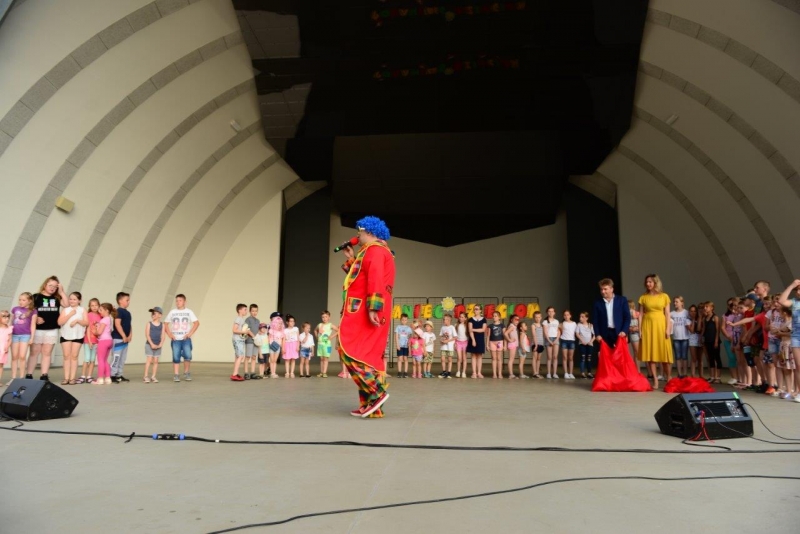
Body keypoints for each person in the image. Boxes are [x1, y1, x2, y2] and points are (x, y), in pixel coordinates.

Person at [338, 216, 395, 417]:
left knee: (348, 349)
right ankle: (373, 407)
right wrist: (351, 258)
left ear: (369, 232)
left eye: (359, 232)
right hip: (365, 307)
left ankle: (377, 393)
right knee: (368, 356)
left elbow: (376, 279)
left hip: (365, 309)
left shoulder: (375, 250)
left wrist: (373, 307)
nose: (357, 235)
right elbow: (359, 277)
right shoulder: (371, 251)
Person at [26, 275, 68, 381]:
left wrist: (61, 292)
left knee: (47, 353)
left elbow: (67, 305)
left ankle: (44, 374)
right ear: (45, 285)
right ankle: (29, 374)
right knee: (34, 352)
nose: (52, 288)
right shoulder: (36, 297)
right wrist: (36, 318)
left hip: (52, 329)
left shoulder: (57, 298)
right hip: (38, 329)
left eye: (55, 286)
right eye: (50, 285)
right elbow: (28, 311)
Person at [638, 274, 674, 389]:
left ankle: (668, 378)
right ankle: (655, 380)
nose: (648, 284)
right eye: (647, 282)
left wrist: (668, 329)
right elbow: (640, 315)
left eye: (650, 282)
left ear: (655, 283)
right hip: (648, 326)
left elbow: (667, 314)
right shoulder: (643, 297)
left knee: (664, 354)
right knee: (651, 355)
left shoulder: (664, 296)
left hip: (661, 325)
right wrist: (640, 330)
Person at [165, 294, 200, 382]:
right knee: (176, 357)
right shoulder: (172, 312)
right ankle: (176, 374)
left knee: (187, 356)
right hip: (175, 339)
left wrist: (190, 333)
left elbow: (196, 323)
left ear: (184, 301)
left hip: (185, 339)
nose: (178, 302)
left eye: (180, 300)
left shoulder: (189, 312)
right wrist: (170, 334)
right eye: (177, 301)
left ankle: (186, 372)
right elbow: (165, 323)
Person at [58, 292, 87, 385]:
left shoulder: (82, 310)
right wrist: (70, 314)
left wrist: (77, 321)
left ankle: (72, 378)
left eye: (74, 299)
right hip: (66, 335)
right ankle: (66, 378)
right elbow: (59, 322)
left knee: (74, 356)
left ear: (79, 300)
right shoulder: (66, 310)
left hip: (78, 335)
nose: (72, 301)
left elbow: (86, 322)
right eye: (70, 299)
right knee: (66, 356)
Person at [777, 279, 800, 401]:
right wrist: (792, 285)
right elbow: (781, 301)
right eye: (797, 290)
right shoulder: (794, 302)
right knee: (798, 365)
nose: (798, 292)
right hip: (796, 336)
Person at [592, 278, 631, 349]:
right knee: (606, 355)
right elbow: (595, 320)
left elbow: (627, 317)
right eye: (601, 289)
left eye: (605, 289)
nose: (603, 291)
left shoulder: (622, 300)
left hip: (619, 333)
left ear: (611, 289)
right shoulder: (598, 303)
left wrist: (624, 331)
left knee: (620, 355)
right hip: (605, 334)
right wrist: (597, 334)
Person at [10, 292, 36, 382]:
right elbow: (11, 322)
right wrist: (8, 335)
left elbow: (33, 325)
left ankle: (21, 378)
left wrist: (32, 337)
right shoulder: (15, 309)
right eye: (20, 300)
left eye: (23, 300)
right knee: (14, 356)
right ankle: (13, 378)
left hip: (25, 335)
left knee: (22, 356)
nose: (21, 302)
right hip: (15, 335)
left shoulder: (33, 311)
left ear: (29, 301)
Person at [110, 292, 132, 384]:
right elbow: (117, 324)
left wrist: (130, 335)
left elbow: (129, 325)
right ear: (120, 301)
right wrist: (123, 335)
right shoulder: (118, 311)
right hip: (118, 338)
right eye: (127, 300)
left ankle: (119, 374)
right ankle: (112, 375)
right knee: (116, 357)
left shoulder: (128, 313)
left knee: (123, 358)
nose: (128, 302)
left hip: (125, 340)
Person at [93, 303, 115, 385]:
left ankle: (100, 378)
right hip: (109, 340)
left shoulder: (104, 320)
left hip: (103, 341)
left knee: (101, 360)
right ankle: (108, 378)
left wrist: (95, 331)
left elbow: (99, 332)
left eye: (101, 310)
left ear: (107, 310)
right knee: (105, 360)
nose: (99, 311)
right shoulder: (110, 319)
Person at [80, 298, 100, 384]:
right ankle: (83, 376)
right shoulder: (89, 315)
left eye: (96, 305)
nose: (94, 307)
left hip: (97, 341)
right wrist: (89, 341)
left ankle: (89, 376)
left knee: (92, 359)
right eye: (92, 305)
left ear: (99, 306)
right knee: (87, 359)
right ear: (89, 306)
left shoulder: (100, 315)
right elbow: (88, 328)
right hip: (88, 341)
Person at [700, 302, 722, 384]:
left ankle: (718, 377)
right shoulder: (705, 318)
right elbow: (704, 329)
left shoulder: (715, 317)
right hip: (707, 340)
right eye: (704, 307)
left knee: (717, 358)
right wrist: (701, 337)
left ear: (712, 308)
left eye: (707, 306)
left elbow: (717, 330)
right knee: (710, 358)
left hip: (714, 340)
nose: (705, 308)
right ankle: (712, 376)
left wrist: (716, 341)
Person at [670, 297, 690, 379]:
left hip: (685, 337)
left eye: (676, 301)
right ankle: (679, 373)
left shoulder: (686, 313)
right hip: (676, 338)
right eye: (674, 302)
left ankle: (685, 373)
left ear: (682, 303)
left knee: (684, 356)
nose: (675, 303)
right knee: (677, 356)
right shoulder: (672, 313)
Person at [143, 306, 164, 383]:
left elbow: (163, 335)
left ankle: (153, 376)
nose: (153, 315)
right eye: (152, 313)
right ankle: (145, 376)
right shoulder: (149, 324)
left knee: (155, 361)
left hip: (158, 345)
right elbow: (147, 334)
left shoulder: (162, 325)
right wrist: (151, 344)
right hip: (149, 345)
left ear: (160, 315)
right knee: (149, 359)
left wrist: (160, 344)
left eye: (154, 313)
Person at [315, 311, 338, 378]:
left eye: (326, 317)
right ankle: (321, 372)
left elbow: (338, 330)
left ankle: (324, 372)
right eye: (323, 317)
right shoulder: (319, 325)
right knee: (321, 359)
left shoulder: (330, 325)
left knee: (326, 358)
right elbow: (315, 330)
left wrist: (331, 337)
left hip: (327, 345)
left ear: (329, 317)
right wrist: (317, 337)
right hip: (320, 344)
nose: (324, 318)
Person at [721, 298, 738, 385]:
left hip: (738, 339)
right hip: (729, 340)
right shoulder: (725, 315)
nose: (732, 306)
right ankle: (734, 377)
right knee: (731, 358)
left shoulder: (739, 315)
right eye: (729, 304)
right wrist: (728, 337)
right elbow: (723, 327)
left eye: (733, 304)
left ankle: (741, 377)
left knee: (740, 359)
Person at [468, 305, 487, 379]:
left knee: (479, 356)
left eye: (477, 309)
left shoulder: (484, 319)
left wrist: (473, 329)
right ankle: (474, 373)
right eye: (475, 309)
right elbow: (470, 330)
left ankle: (479, 372)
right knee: (473, 356)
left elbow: (483, 329)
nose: (475, 310)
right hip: (473, 338)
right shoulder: (470, 319)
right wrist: (473, 340)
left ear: (480, 310)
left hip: (480, 339)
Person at [230, 304, 248, 381]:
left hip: (239, 340)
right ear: (240, 310)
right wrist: (244, 332)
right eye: (245, 309)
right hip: (237, 340)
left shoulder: (241, 319)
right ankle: (234, 374)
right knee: (240, 356)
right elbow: (234, 330)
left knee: (238, 356)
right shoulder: (238, 319)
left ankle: (235, 373)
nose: (246, 311)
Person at [244, 304, 261, 380]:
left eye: (256, 311)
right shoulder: (248, 319)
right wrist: (253, 336)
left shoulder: (258, 321)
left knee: (254, 357)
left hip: (256, 341)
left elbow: (258, 330)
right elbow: (247, 329)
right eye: (253, 311)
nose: (254, 312)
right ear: (250, 311)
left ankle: (252, 373)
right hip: (249, 340)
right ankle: (246, 373)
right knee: (248, 356)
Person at [576, 312, 595, 379]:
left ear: (586, 318)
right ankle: (582, 373)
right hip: (582, 344)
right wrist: (582, 340)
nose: (580, 318)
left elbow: (594, 335)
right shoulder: (579, 325)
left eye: (582, 317)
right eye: (580, 316)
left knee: (589, 358)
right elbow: (577, 334)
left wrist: (591, 341)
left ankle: (589, 373)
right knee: (583, 358)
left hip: (589, 344)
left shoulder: (590, 325)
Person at [559, 310, 577, 380]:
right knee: (564, 357)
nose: (566, 316)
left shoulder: (574, 323)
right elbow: (559, 331)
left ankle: (571, 373)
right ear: (563, 316)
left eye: (567, 315)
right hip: (564, 341)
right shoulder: (562, 324)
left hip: (572, 341)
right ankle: (566, 373)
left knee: (571, 358)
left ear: (570, 316)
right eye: (565, 315)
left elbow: (576, 332)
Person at [543, 307, 560, 379]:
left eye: (552, 311)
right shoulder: (545, 321)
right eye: (549, 311)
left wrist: (556, 339)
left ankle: (555, 373)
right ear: (547, 312)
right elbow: (545, 332)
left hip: (556, 339)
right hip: (549, 339)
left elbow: (559, 331)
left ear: (554, 312)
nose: (551, 313)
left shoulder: (556, 321)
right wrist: (549, 340)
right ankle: (549, 373)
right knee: (549, 357)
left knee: (555, 357)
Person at [438, 313, 456, 379]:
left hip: (450, 346)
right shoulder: (443, 327)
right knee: (442, 359)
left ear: (449, 320)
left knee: (449, 359)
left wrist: (447, 341)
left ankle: (449, 372)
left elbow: (455, 337)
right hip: (443, 346)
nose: (444, 320)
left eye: (445, 319)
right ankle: (444, 371)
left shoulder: (452, 327)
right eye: (443, 319)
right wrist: (441, 340)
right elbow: (441, 335)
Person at [488, 311, 505, 379]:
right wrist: (487, 345)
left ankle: (500, 373)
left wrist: (505, 344)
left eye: (496, 316)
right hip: (492, 342)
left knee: (499, 358)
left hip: (499, 342)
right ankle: (494, 373)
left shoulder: (502, 325)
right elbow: (488, 336)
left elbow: (504, 335)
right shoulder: (490, 326)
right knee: (494, 358)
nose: (494, 317)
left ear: (499, 317)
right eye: (493, 316)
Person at [268, 312, 284, 378]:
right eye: (278, 323)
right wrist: (269, 345)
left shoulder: (281, 332)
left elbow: (281, 340)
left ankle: (274, 372)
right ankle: (272, 373)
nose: (279, 325)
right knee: (272, 360)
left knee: (275, 360)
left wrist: (282, 347)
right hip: (271, 347)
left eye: (281, 323)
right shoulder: (271, 331)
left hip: (278, 347)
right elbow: (269, 338)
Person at [504, 314, 520, 379]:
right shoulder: (512, 326)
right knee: (511, 359)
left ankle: (511, 374)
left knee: (512, 359)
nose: (517, 321)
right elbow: (505, 333)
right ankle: (511, 374)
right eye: (515, 319)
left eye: (518, 319)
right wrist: (509, 340)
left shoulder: (513, 326)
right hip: (512, 344)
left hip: (514, 344)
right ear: (511, 320)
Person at [454, 311, 469, 378]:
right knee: (459, 358)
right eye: (460, 317)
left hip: (465, 342)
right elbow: (455, 335)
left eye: (462, 317)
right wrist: (455, 343)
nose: (460, 318)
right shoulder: (456, 325)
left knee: (464, 358)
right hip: (458, 342)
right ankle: (458, 371)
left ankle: (463, 372)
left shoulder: (467, 325)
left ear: (465, 318)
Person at [530, 311, 545, 379]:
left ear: (541, 317)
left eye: (539, 317)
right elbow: (534, 335)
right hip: (535, 344)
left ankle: (537, 372)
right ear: (534, 318)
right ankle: (534, 373)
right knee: (534, 358)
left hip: (541, 343)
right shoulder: (533, 325)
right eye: (536, 317)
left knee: (538, 359)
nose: (537, 318)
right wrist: (536, 345)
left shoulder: (542, 326)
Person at [628, 300, 641, 370]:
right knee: (637, 352)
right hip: (634, 332)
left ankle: (637, 370)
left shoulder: (634, 312)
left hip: (638, 332)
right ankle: (637, 370)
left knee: (637, 352)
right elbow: (634, 315)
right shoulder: (631, 312)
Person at [0, 310, 11, 386]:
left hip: (3, 348)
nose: (6, 319)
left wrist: (7, 346)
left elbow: (10, 339)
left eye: (8, 317)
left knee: (1, 365)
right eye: (4, 317)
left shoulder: (9, 328)